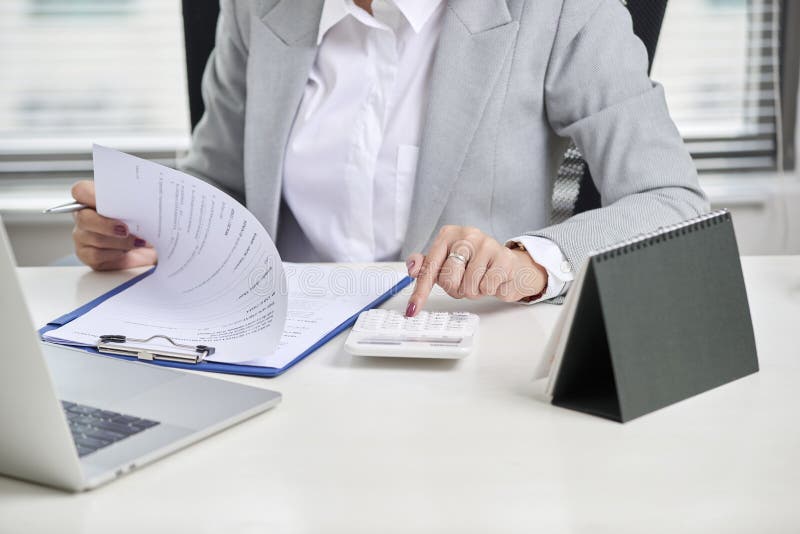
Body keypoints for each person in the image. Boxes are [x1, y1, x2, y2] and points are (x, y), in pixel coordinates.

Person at [70, 0, 708, 317]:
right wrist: (147, 226)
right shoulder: (257, 7)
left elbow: (673, 203)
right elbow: (219, 181)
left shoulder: (557, 8)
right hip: (280, 352)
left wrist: (533, 262)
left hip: (465, 361)